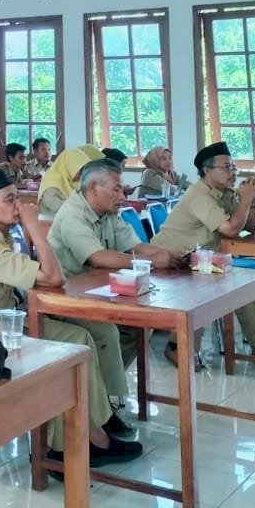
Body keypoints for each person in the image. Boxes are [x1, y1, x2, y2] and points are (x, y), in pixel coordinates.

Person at [0, 169, 142, 471]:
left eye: (17, 197)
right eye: (10, 200)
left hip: (5, 315)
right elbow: (52, 276)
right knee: (74, 341)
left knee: (96, 328)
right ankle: (72, 444)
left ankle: (99, 415)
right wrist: (34, 227)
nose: (19, 206)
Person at [150, 142, 255, 367]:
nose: (233, 172)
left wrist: (250, 201)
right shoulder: (199, 194)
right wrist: (246, 199)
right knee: (213, 286)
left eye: (233, 167)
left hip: (199, 260)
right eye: (226, 167)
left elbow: (251, 226)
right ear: (207, 171)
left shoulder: (226, 193)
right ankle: (176, 348)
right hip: (169, 260)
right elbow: (230, 229)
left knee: (246, 282)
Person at [47, 159, 183, 404]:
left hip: (98, 291)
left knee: (138, 325)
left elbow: (136, 246)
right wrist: (152, 262)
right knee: (106, 330)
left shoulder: (108, 211)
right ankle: (103, 405)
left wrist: (167, 255)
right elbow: (98, 258)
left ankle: (99, 390)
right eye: (116, 189)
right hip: (65, 296)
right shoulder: (73, 215)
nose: (122, 194)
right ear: (93, 188)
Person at [36, 145, 103, 214]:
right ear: (70, 166)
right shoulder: (51, 187)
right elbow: (65, 211)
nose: (82, 174)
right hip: (51, 223)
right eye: (80, 170)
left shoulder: (72, 182)